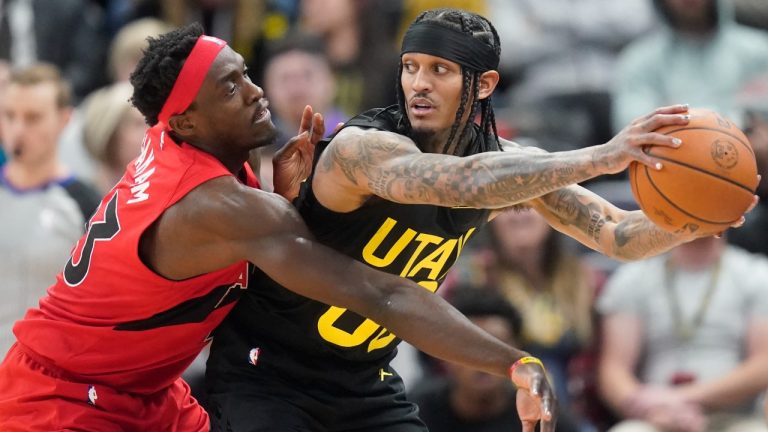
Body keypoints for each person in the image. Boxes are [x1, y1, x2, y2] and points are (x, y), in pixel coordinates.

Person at [205, 7, 755, 432]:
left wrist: (695, 220)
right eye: (410, 67)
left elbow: (617, 235)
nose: (419, 83)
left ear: (484, 84)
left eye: (439, 70)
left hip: (362, 379)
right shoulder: (363, 148)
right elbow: (459, 182)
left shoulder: (513, 166)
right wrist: (602, 157)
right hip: (268, 369)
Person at [0, 23, 559, 432]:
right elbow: (380, 293)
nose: (255, 91)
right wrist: (512, 360)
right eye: (230, 88)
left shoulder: (185, 143)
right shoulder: (217, 205)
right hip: (58, 398)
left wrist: (282, 198)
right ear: (188, 120)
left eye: (245, 73)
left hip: (144, 392)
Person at [597, 236, 768, 432]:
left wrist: (681, 397)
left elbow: (763, 365)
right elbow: (613, 371)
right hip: (654, 417)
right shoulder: (633, 278)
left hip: (735, 417)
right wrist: (653, 409)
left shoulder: (756, 275)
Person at [0, 63, 101, 356]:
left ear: (64, 120)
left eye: (33, 118)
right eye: (9, 116)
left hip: (49, 369)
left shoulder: (88, 205)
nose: (18, 130)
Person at [410, 287, 581, 432]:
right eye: (470, 347)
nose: (483, 361)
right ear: (443, 353)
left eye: (498, 345)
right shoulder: (413, 412)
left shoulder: (544, 419)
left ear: (517, 349)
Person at [611, 0, 768, 132]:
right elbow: (633, 126)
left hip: (748, 153)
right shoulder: (639, 60)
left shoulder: (759, 50)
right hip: (673, 153)